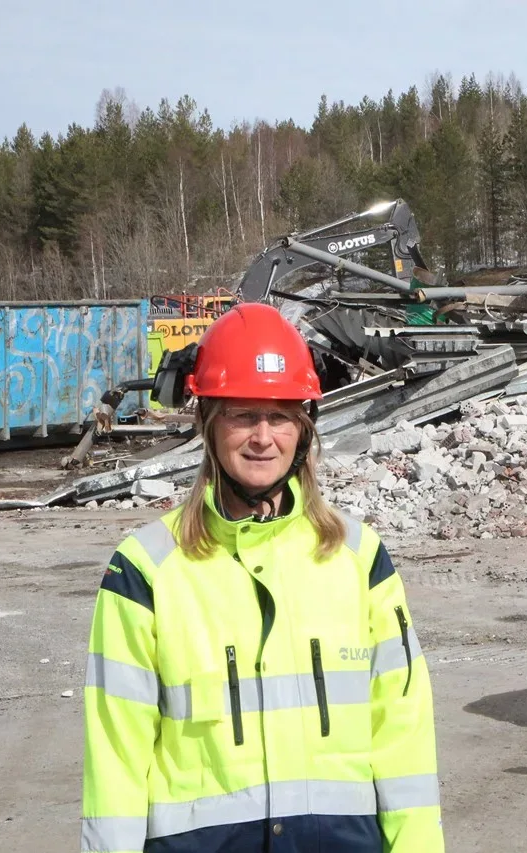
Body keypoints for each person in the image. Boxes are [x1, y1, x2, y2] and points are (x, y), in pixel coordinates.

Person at [80, 303, 445, 853]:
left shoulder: (359, 559)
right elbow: (116, 757)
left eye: (279, 416)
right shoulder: (144, 571)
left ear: (304, 429)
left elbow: (403, 733)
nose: (262, 437)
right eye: (242, 415)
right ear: (207, 423)